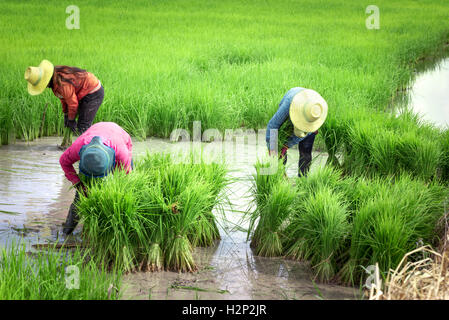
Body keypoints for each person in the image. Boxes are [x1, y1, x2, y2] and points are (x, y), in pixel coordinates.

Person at [59, 122, 133, 235]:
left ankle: (104, 232)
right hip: (95, 136)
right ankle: (67, 232)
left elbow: (126, 179)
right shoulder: (79, 146)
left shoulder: (122, 153)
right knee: (81, 197)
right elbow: (63, 162)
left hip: (118, 137)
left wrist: (115, 193)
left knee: (118, 195)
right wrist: (78, 184)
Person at [24, 59, 104, 135]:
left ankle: (90, 146)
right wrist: (66, 114)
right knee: (80, 126)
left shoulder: (61, 83)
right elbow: (64, 98)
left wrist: (71, 119)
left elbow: (72, 103)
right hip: (83, 92)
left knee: (83, 127)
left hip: (93, 93)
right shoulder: (55, 79)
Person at [266, 87, 328, 177]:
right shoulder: (289, 104)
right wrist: (273, 149)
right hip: (294, 107)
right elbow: (272, 126)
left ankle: (303, 180)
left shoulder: (317, 112)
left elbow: (301, 135)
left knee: (305, 152)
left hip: (310, 115)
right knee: (279, 146)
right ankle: (279, 175)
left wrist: (286, 146)